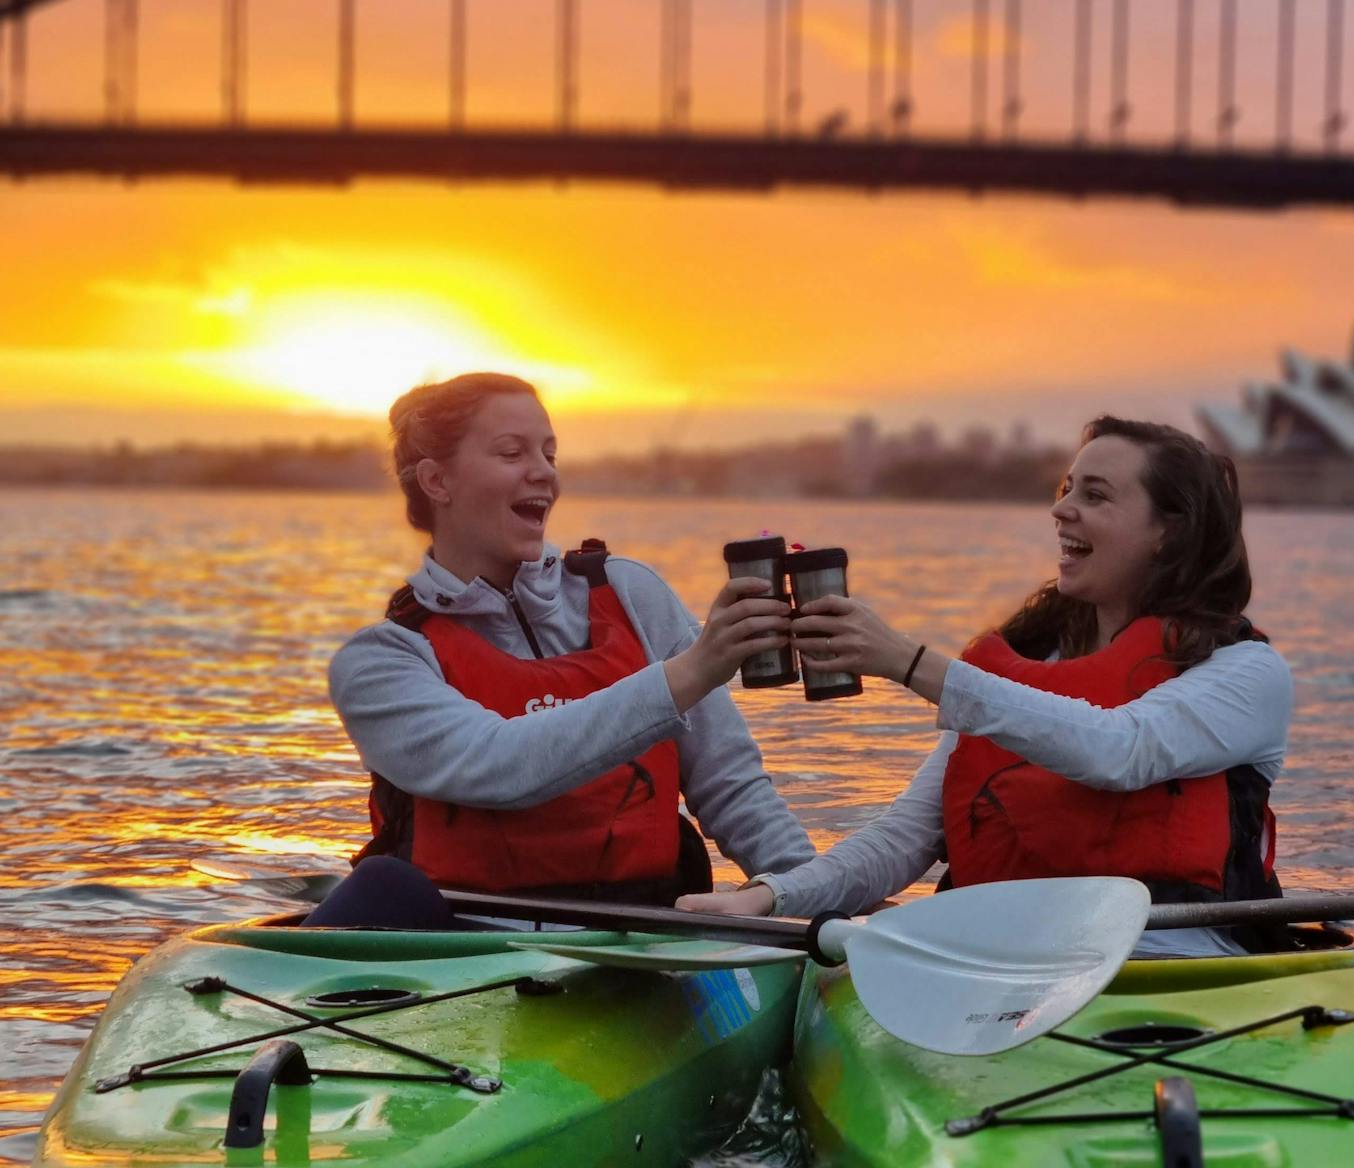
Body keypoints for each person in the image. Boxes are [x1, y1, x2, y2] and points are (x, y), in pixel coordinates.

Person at [678, 416, 1292, 957]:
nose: (1061, 509)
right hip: (1002, 967)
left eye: (1096, 496)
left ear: (1170, 532)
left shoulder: (1245, 673)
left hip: (1171, 966)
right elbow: (904, 840)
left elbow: (1121, 751)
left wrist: (906, 661)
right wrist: (769, 896)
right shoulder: (1020, 668)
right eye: (1065, 488)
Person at [307, 372, 815, 927]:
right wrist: (691, 673)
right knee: (384, 883)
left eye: (549, 453)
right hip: (464, 949)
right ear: (436, 481)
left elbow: (732, 787)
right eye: (511, 452)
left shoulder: (631, 593)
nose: (543, 472)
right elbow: (501, 766)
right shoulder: (381, 661)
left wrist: (812, 894)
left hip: (643, 933)